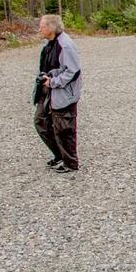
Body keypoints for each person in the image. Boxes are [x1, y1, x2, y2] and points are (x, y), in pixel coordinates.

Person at [33, 14, 83, 173]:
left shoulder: (65, 45)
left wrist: (53, 82)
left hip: (63, 93)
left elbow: (73, 71)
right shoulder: (50, 44)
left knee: (64, 128)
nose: (39, 29)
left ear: (51, 27)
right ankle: (60, 154)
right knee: (41, 121)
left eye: (42, 26)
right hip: (49, 91)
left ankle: (70, 162)